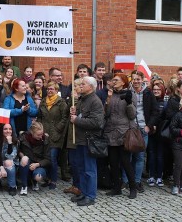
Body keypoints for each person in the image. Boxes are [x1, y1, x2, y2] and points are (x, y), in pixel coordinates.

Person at [69, 76, 104, 207]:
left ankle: (90, 195)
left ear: (91, 86)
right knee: (81, 168)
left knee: (89, 169)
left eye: (83, 84)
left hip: (89, 140)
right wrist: (74, 113)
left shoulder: (95, 101)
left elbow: (97, 122)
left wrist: (76, 120)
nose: (81, 85)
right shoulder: (82, 100)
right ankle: (83, 192)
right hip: (80, 139)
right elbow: (79, 117)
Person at [103, 73, 137, 199]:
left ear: (123, 82)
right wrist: (107, 101)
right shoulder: (111, 94)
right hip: (111, 132)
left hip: (124, 132)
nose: (113, 81)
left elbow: (132, 115)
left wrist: (129, 102)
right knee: (113, 162)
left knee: (125, 162)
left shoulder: (129, 94)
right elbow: (105, 114)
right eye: (113, 80)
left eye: (116, 80)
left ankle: (133, 187)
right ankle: (116, 188)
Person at [125, 71, 158, 191]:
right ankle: (126, 181)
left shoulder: (148, 93)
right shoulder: (127, 92)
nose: (136, 82)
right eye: (134, 79)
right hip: (130, 128)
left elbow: (155, 111)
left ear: (142, 79)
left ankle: (137, 181)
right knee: (127, 156)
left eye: (138, 79)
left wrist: (149, 125)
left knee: (139, 157)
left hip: (143, 128)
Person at [37, 82, 69, 190]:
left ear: (56, 90)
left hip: (56, 134)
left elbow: (65, 118)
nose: (50, 91)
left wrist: (57, 129)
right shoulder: (43, 102)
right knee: (45, 157)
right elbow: (40, 117)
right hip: (44, 134)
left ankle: (54, 180)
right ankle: (47, 179)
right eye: (48, 89)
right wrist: (40, 129)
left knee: (52, 158)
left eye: (52, 89)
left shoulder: (61, 102)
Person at [18, 121, 51, 195]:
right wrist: (23, 156)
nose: (41, 136)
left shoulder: (45, 139)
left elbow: (48, 159)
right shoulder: (23, 137)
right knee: (24, 159)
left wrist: (37, 164)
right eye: (38, 135)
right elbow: (18, 150)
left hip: (39, 163)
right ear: (32, 133)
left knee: (38, 177)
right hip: (27, 162)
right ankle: (24, 186)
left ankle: (35, 181)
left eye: (42, 134)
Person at [0, 124, 20, 195]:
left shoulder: (15, 141)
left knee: (8, 162)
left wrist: (9, 143)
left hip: (10, 165)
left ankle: (12, 186)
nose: (8, 131)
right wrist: (0, 166)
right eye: (5, 129)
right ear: (1, 130)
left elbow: (11, 157)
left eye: (10, 129)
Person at [147, 82, 167, 187]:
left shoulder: (165, 103)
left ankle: (159, 176)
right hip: (151, 132)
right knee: (151, 154)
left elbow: (164, 117)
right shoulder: (150, 101)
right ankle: (151, 176)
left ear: (162, 91)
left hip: (161, 133)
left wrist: (156, 125)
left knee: (160, 156)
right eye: (154, 89)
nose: (156, 91)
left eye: (158, 90)